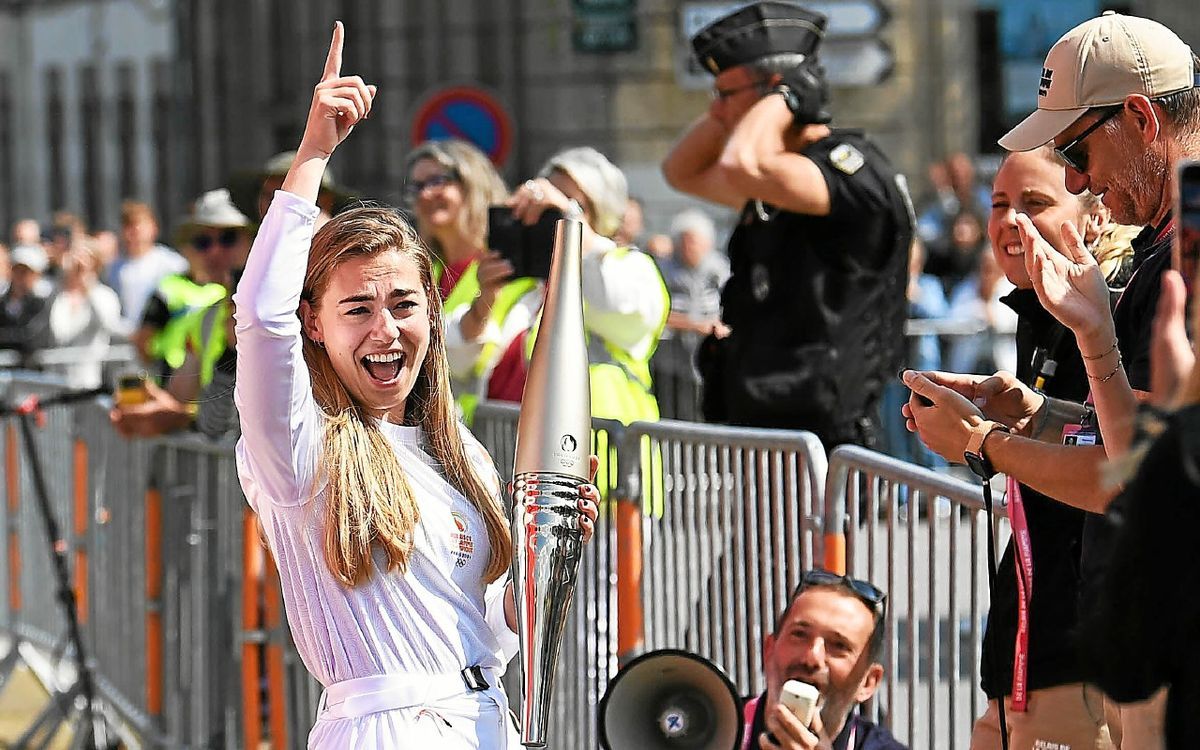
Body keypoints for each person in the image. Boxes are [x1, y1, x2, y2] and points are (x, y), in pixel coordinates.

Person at [232, 24, 599, 748]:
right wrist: (311, 157)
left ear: (432, 311)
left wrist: (547, 560)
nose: (385, 330)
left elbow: (498, 624)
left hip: (489, 720)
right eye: (357, 309)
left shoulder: (458, 450)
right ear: (314, 324)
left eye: (403, 305)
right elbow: (258, 318)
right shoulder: (298, 451)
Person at [901, 13, 1199, 747]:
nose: (1073, 178)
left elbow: (1129, 471)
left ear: (1138, 117)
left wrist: (984, 445)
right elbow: (1144, 439)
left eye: (1074, 149)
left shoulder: (1183, 255)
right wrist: (1038, 409)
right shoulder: (1166, 244)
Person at [663, 1, 913, 449]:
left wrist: (781, 99)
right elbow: (679, 171)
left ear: (777, 94)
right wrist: (752, 101)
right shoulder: (780, 176)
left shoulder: (846, 169)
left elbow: (741, 164)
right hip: (765, 418)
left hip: (824, 431)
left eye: (725, 95)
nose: (715, 112)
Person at [402, 139, 540, 422]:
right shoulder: (424, 272)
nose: (426, 194)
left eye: (438, 180)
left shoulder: (503, 267)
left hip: (502, 429)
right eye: (417, 187)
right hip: (451, 434)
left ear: (472, 183)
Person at [741, 570, 905, 750]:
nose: (812, 657)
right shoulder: (717, 725)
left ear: (868, 683)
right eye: (799, 634)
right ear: (769, 651)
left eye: (839, 645)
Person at [134, 189, 252, 380]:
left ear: (252, 240)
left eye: (228, 238)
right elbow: (189, 397)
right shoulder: (207, 316)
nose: (214, 251)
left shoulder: (274, 309)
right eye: (203, 242)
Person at [654, 208, 730, 420]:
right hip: (672, 359)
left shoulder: (719, 268)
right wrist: (693, 325)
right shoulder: (665, 268)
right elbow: (658, 311)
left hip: (709, 356)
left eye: (696, 241)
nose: (690, 247)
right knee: (675, 410)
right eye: (685, 241)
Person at [48, 238, 123, 389]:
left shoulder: (104, 295)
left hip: (91, 378)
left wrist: (88, 286)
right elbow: (57, 333)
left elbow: (109, 325)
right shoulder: (57, 294)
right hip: (57, 379)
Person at [106, 201, 188, 334]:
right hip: (129, 340)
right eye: (130, 226)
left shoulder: (172, 263)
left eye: (140, 225)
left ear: (154, 227)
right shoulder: (114, 268)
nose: (135, 232)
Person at [0, 245, 53, 360]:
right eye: (17, 270)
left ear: (36, 275)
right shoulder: (2, 303)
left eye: (26, 272)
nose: (20, 276)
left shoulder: (41, 305)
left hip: (31, 373)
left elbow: (32, 340)